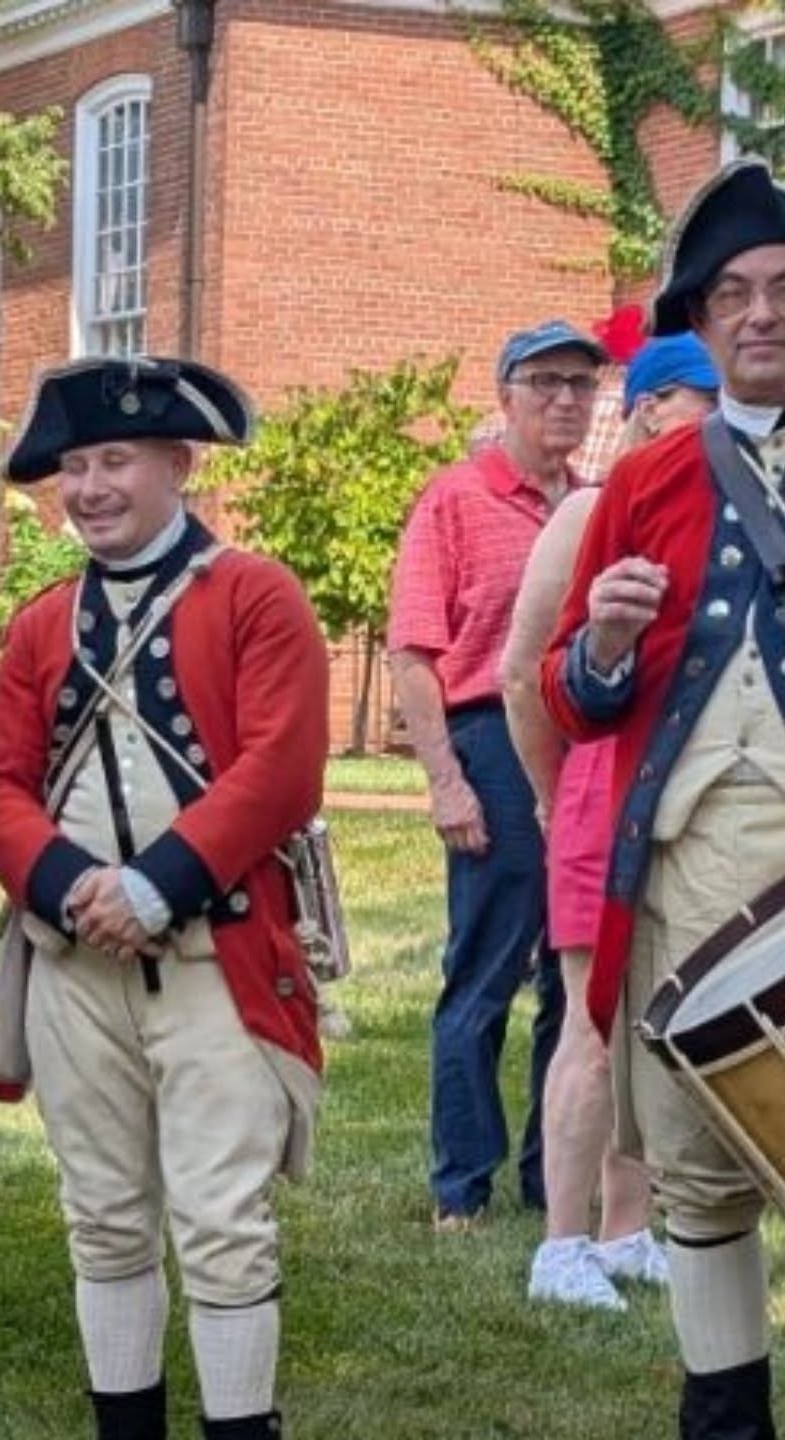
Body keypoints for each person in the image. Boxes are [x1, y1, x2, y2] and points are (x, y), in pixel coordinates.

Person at [0, 356, 330, 1440]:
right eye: (75, 467)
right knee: (104, 1219)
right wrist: (72, 886)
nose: (89, 489)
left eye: (115, 461)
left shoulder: (256, 595)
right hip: (75, 963)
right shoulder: (42, 624)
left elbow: (281, 771)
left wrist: (154, 884)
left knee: (222, 1223)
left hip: (216, 955)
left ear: (180, 464)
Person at [543, 157, 785, 1439]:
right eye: (732, 294)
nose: (761, 314)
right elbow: (569, 694)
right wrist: (602, 645)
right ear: (700, 321)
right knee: (701, 1178)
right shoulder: (644, 482)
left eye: (782, 289)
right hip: (690, 878)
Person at [500, 332, 718, 1310]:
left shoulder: (727, 508)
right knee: (592, 1026)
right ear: (650, 408)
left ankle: (628, 1229)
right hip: (602, 789)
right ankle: (561, 1244)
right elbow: (523, 672)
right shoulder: (592, 509)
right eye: (700, 402)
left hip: (688, 797)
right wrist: (556, 795)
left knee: (655, 1028)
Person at [386, 319, 604, 1229]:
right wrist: (446, 780)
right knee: (485, 968)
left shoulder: (596, 504)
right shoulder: (456, 498)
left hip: (580, 745)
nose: (565, 399)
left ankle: (555, 1177)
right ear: (505, 394)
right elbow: (413, 652)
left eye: (581, 384)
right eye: (545, 381)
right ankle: (461, 1186)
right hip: (491, 742)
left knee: (574, 974)